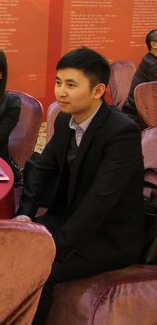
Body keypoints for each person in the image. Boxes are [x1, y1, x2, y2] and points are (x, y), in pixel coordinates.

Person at [14, 47, 145, 324]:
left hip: (109, 235)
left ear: (98, 91)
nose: (60, 92)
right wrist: (25, 214)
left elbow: (100, 200)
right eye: (58, 82)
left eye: (71, 85)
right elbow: (43, 170)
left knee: (40, 269)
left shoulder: (122, 132)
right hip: (70, 218)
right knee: (12, 244)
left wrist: (57, 247)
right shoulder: (66, 120)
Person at [122, 29, 157, 127]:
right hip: (137, 116)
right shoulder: (153, 65)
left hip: (139, 111)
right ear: (154, 45)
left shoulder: (150, 58)